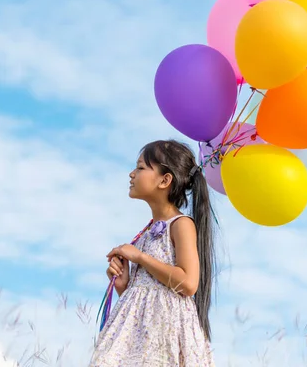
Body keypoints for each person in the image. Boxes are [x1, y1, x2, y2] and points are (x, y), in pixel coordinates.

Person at [90, 139, 217, 366]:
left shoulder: (181, 224)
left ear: (165, 180)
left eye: (140, 168)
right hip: (141, 337)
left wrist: (140, 258)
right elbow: (149, 299)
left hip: (165, 339)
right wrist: (124, 287)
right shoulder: (145, 233)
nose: (131, 174)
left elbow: (188, 283)